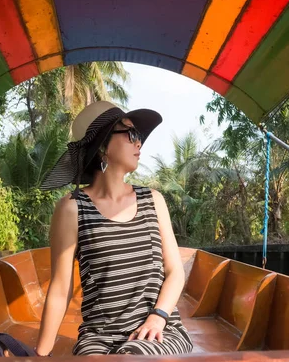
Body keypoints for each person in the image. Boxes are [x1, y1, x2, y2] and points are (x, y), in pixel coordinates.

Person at [34, 101, 193, 356]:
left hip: (157, 331)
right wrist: (38, 355)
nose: (139, 143)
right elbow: (60, 289)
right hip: (99, 337)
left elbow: (175, 272)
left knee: (132, 357)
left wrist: (159, 316)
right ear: (103, 148)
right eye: (131, 135)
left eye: (138, 137)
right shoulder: (72, 208)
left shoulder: (153, 200)